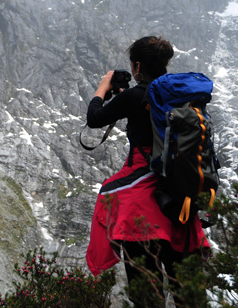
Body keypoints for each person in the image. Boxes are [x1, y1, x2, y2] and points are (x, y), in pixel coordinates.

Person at [85, 36, 210, 307]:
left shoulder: (135, 95)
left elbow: (94, 119)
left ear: (137, 65)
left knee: (147, 295)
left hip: (141, 204)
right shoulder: (180, 96)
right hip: (180, 195)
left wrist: (103, 87)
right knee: (189, 296)